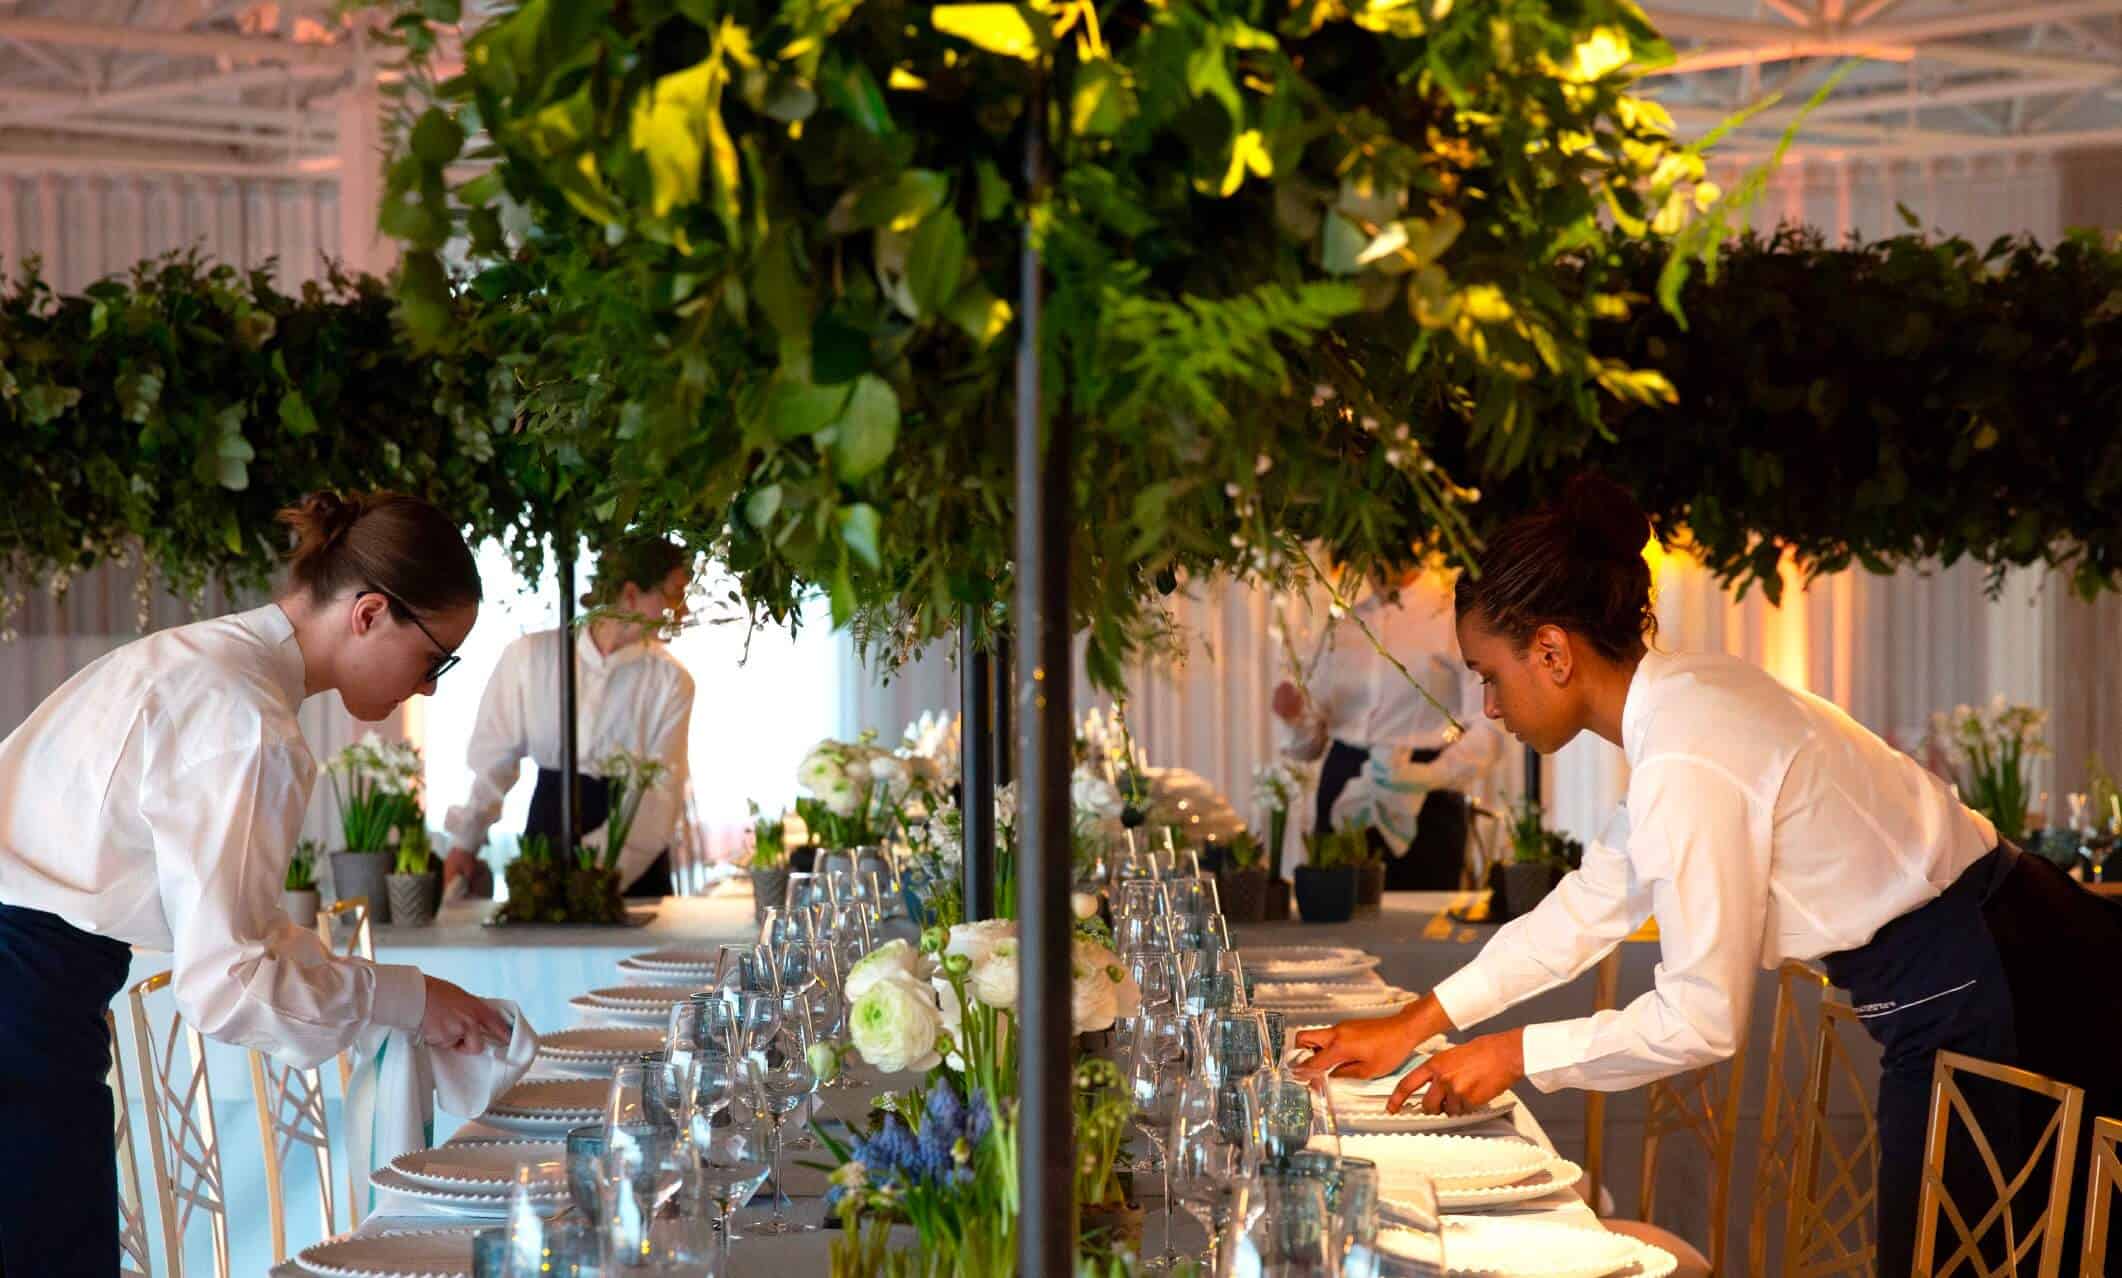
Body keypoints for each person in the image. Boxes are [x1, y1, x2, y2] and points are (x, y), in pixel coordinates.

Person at [1294, 474, 2122, 1277]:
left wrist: (1515, 1053)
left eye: (1488, 676)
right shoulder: (1681, 706)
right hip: (1986, 947)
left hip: (1996, 972)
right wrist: (1418, 1021)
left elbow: (1702, 1019)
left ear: (1551, 651)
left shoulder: (1686, 749)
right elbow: (1591, 904)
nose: (1489, 708)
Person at [0, 490, 512, 1276]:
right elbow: (229, 983)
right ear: (370, 613)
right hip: (20, 998)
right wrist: (404, 999)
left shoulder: (197, 657)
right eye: (436, 657)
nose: (431, 686)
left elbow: (241, 939)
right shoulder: (245, 720)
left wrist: (405, 996)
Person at [442, 537, 695, 899]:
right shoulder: (532, 656)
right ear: (630, 594)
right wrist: (465, 842)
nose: (682, 611)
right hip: (549, 830)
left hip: (634, 849)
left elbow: (659, 795)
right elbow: (493, 757)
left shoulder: (671, 682)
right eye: (674, 595)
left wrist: (596, 873)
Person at [1270, 566, 1501, 888]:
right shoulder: (1344, 622)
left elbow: (1487, 727)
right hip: (1343, 784)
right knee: (1337, 916)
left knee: (1420, 923)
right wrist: (1294, 717)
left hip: (1425, 795)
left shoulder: (1450, 615)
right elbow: (1308, 748)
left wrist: (1429, 775)